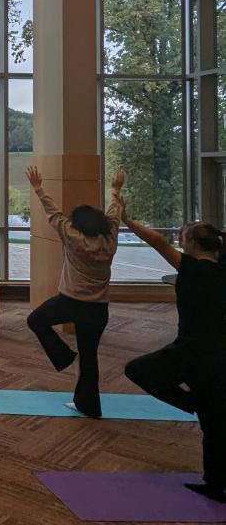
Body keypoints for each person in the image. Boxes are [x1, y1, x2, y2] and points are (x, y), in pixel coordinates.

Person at [117, 203, 226, 503]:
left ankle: (190, 402)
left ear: (192, 243)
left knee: (137, 370)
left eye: (184, 237)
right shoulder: (222, 269)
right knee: (215, 425)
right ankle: (215, 484)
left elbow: (157, 241)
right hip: (219, 353)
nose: (179, 241)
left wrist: (128, 220)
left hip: (189, 350)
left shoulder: (190, 268)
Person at [24, 165, 125, 418]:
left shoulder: (72, 236)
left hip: (69, 301)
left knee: (36, 320)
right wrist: (116, 189)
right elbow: (115, 212)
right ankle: (89, 406)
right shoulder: (111, 238)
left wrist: (38, 188)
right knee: (89, 358)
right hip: (98, 308)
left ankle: (65, 357)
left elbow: (53, 213)